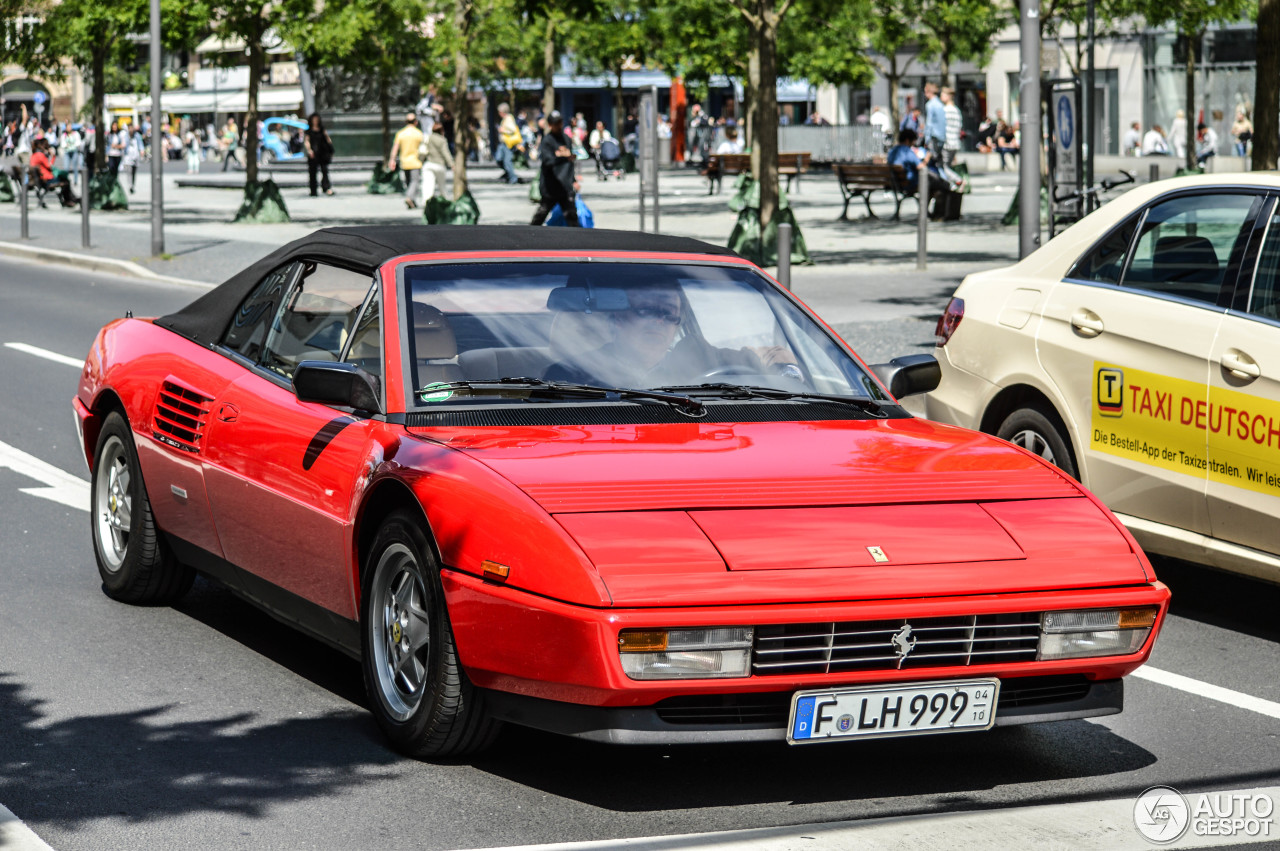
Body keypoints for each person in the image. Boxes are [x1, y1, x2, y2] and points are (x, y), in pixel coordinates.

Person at [531, 110, 579, 227]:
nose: (558, 126)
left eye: (560, 122)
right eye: (555, 123)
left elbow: (569, 164)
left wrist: (573, 180)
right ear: (550, 125)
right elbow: (548, 161)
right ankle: (529, 235)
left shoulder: (566, 139)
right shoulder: (547, 141)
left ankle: (577, 241)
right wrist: (563, 158)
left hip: (565, 186)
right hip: (550, 185)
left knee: (571, 215)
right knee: (542, 213)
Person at [388, 112, 424, 209]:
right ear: (416, 122)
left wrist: (392, 160)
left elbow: (395, 148)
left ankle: (412, 200)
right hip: (416, 162)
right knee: (415, 181)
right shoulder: (419, 134)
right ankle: (409, 197)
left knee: (409, 182)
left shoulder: (401, 133)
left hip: (404, 162)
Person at [29, 138, 77, 207]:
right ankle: (69, 200)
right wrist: (52, 156)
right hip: (47, 180)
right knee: (66, 181)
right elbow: (49, 166)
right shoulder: (40, 155)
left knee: (64, 180)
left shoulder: (34, 155)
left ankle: (70, 199)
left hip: (41, 180)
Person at [304, 113, 335, 196]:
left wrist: (331, 149)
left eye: (316, 120)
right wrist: (309, 150)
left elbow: (327, 138)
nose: (315, 122)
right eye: (313, 120)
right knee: (313, 172)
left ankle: (326, 188)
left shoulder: (322, 129)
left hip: (323, 152)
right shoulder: (309, 130)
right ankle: (313, 190)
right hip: (313, 153)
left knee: (325, 171)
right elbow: (306, 141)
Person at [493, 103, 523, 184]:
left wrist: (503, 131)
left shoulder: (509, 119)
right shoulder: (505, 119)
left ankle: (513, 178)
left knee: (507, 161)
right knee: (499, 159)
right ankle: (508, 173)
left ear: (502, 112)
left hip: (507, 143)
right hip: (503, 143)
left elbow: (513, 130)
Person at [419, 123, 450, 202]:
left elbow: (422, 151)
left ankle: (426, 202)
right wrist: (451, 164)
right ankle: (445, 200)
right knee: (442, 185)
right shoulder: (442, 140)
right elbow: (445, 153)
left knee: (428, 185)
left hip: (428, 164)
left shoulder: (427, 138)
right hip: (439, 165)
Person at [923, 83, 946, 163]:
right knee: (939, 161)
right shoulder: (941, 104)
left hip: (934, 137)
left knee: (932, 161)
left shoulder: (930, 105)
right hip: (942, 137)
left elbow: (929, 123)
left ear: (929, 92)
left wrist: (926, 139)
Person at [941, 87, 962, 167]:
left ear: (949, 96)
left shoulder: (945, 110)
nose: (941, 97)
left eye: (942, 95)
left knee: (944, 167)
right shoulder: (957, 110)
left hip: (947, 143)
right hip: (955, 143)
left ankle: (959, 179)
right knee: (949, 166)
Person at [121, 126, 144, 192]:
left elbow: (140, 144)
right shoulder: (125, 136)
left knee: (134, 172)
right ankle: (130, 185)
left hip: (135, 156)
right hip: (128, 157)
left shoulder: (137, 136)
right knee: (129, 172)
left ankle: (133, 184)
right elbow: (123, 145)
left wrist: (142, 151)